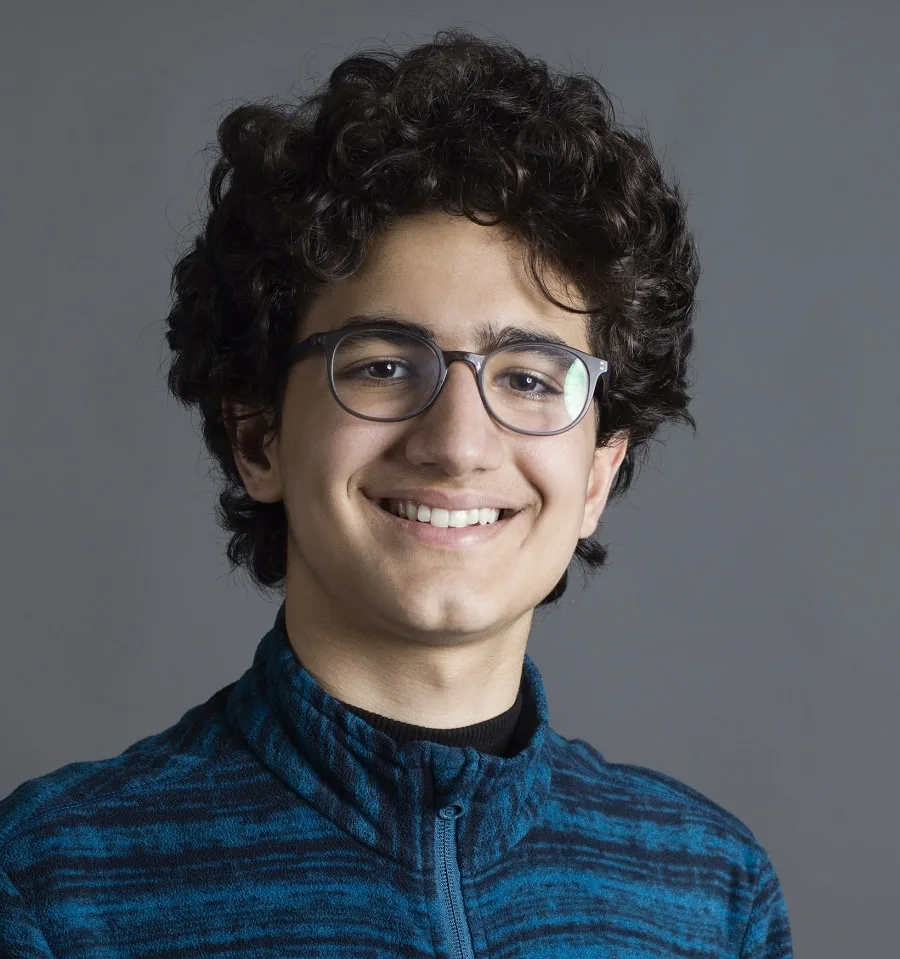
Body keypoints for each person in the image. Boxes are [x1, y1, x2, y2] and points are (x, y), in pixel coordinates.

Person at [0, 29, 793, 957]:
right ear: (258, 437)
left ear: (597, 475)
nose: (458, 443)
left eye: (532, 378)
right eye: (381, 365)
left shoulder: (710, 889)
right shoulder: (56, 883)